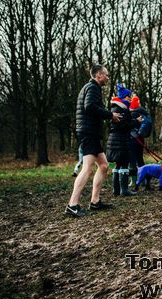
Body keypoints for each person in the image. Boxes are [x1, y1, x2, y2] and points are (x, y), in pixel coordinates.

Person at [65, 65, 121, 217]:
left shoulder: (90, 87)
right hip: (88, 132)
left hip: (91, 132)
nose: (108, 78)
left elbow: (91, 107)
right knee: (87, 169)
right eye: (106, 75)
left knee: (103, 166)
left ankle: (95, 202)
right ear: (98, 75)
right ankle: (72, 205)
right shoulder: (93, 88)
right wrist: (110, 115)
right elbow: (89, 106)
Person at [106, 83, 143, 196]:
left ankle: (116, 190)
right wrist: (136, 121)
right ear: (124, 97)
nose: (131, 98)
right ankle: (124, 190)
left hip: (114, 140)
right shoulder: (121, 109)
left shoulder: (115, 108)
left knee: (118, 164)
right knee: (124, 164)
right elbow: (123, 126)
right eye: (129, 96)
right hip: (120, 140)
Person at [128, 96, 152, 187]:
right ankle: (142, 179)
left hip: (131, 140)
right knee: (140, 160)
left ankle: (133, 181)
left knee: (132, 161)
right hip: (140, 140)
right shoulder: (143, 113)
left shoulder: (130, 115)